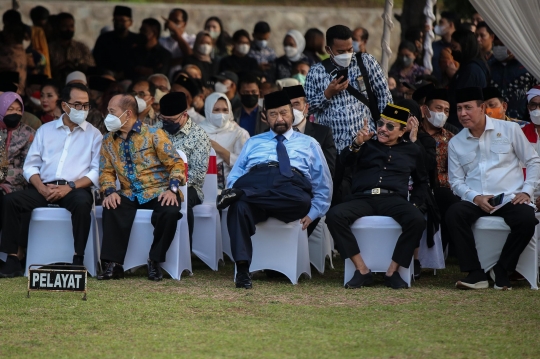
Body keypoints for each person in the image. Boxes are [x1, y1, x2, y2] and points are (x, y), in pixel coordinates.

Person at [218, 90, 332, 289]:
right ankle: (243, 270)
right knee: (238, 208)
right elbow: (235, 175)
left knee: (302, 201)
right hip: (257, 181)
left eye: (284, 113)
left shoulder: (309, 143)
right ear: (265, 116)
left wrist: (314, 213)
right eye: (273, 114)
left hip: (290, 190)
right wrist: (236, 187)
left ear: (292, 113)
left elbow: (322, 184)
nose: (279, 119)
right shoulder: (253, 142)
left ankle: (245, 194)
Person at [0, 83, 102, 278]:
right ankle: (13, 259)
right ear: (64, 106)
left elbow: (96, 171)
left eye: (86, 105)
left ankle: (78, 259)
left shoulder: (94, 135)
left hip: (74, 188)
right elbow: (30, 166)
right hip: (43, 187)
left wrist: (70, 187)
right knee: (11, 201)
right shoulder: (45, 130)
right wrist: (41, 187)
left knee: (82, 203)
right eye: (78, 105)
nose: (83, 110)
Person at [325, 103, 428, 289]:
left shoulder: (413, 150)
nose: (382, 129)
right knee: (334, 216)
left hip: (393, 199)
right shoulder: (365, 144)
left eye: (390, 126)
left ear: (402, 130)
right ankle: (362, 270)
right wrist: (357, 143)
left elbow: (422, 182)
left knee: (417, 220)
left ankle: (393, 271)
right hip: (362, 198)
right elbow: (343, 163)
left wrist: (414, 204)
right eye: (380, 124)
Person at [446, 87, 540, 291]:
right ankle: (475, 273)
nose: (462, 114)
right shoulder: (456, 142)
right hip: (476, 200)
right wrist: (475, 197)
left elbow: (533, 161)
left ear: (482, 108)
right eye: (459, 109)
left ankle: (502, 269)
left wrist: (526, 191)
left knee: (526, 219)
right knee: (454, 214)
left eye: (468, 108)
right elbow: (456, 182)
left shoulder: (509, 130)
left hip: (508, 197)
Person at [98, 93, 186, 281]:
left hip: (160, 191)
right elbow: (105, 172)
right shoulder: (107, 141)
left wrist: (172, 190)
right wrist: (110, 191)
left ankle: (155, 261)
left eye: (112, 112)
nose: (108, 116)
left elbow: (176, 164)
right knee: (112, 206)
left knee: (169, 211)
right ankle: (114, 265)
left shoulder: (154, 134)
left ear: (128, 113)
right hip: (129, 193)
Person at [305, 24, 392, 206]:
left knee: (367, 196)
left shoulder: (366, 62)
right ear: (328, 49)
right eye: (340, 51)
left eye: (349, 49)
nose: (347, 54)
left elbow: (384, 95)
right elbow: (306, 108)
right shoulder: (317, 71)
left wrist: (383, 131)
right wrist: (327, 94)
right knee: (337, 199)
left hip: (367, 143)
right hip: (334, 150)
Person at [156, 92, 210, 245]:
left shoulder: (199, 136)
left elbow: (198, 174)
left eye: (171, 120)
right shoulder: (156, 130)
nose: (166, 123)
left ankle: (184, 249)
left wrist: (172, 186)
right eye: (163, 119)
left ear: (184, 115)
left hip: (189, 186)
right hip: (156, 183)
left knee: (177, 202)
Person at [417, 88, 460, 252]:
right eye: (438, 108)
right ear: (424, 109)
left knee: (453, 204)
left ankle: (444, 248)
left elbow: (456, 172)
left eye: (446, 110)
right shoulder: (412, 132)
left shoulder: (451, 138)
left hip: (441, 188)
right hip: (414, 185)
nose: (442, 113)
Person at [199, 93, 249, 189]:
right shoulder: (196, 131)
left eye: (225, 110)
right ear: (208, 110)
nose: (221, 114)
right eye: (216, 110)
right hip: (201, 189)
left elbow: (245, 165)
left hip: (231, 188)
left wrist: (218, 149)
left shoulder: (239, 133)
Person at [446, 29, 489, 129]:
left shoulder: (471, 70)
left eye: (455, 47)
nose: (452, 52)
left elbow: (459, 99)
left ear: (465, 46)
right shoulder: (468, 68)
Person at [489, 36, 539, 120]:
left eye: (502, 45)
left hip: (523, 119)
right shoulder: (489, 66)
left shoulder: (527, 65)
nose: (498, 48)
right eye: (496, 45)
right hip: (496, 120)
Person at [0, 92, 35, 196]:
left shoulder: (29, 134)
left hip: (14, 185)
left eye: (19, 110)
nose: (15, 113)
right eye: (10, 109)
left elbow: (29, 166)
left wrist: (4, 176)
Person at [92, 6, 139, 79]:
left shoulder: (137, 40)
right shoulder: (104, 39)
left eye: (122, 20)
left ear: (130, 23)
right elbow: (97, 61)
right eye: (116, 20)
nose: (118, 23)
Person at [48, 13, 95, 82]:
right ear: (57, 27)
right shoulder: (50, 48)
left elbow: (91, 67)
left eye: (71, 26)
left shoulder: (81, 47)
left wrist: (77, 65)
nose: (69, 29)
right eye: (65, 26)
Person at [160, 8, 195, 78]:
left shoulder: (192, 39)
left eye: (176, 21)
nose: (172, 24)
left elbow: (191, 56)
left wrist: (176, 31)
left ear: (184, 24)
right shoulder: (161, 41)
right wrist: (181, 59)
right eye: (170, 21)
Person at [520, 86, 540, 208]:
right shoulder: (519, 134)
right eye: (534, 105)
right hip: (524, 194)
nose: (537, 109)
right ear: (528, 108)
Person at [432, 11, 460, 82]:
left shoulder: (460, 47)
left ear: (451, 25)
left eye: (441, 23)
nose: (438, 26)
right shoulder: (433, 46)